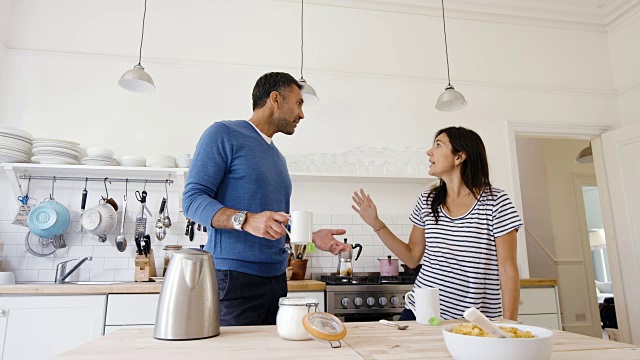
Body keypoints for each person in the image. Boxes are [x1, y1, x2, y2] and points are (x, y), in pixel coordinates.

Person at [183, 72, 351, 326]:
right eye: (298, 103)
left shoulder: (278, 157)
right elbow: (192, 201)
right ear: (275, 99)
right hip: (234, 279)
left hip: (276, 280)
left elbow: (271, 223)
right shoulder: (223, 134)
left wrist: (308, 236)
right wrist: (245, 219)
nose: (302, 114)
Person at [351, 126, 522, 321]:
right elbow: (412, 258)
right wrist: (376, 223)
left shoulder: (496, 202)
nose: (429, 152)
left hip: (475, 320)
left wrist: (509, 324)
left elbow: (508, 269)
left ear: (459, 157)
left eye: (438, 145)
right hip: (421, 313)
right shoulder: (428, 200)